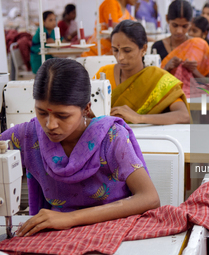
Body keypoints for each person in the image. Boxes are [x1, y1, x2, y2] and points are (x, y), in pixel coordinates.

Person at [0, 58, 160, 237]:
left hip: (114, 228)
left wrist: (70, 218)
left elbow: (149, 198)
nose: (50, 124)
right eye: (41, 112)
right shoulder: (29, 134)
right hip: (57, 233)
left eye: (63, 116)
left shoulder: (111, 137)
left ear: (86, 108)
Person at [94, 20, 190, 125]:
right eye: (115, 50)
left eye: (127, 51)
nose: (120, 57)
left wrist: (140, 118)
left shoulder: (158, 79)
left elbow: (184, 116)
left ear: (144, 49)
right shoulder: (103, 74)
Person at [151, 0, 209, 78]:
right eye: (175, 25)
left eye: (184, 26)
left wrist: (194, 71)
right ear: (167, 19)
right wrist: (166, 68)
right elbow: (152, 82)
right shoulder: (157, 47)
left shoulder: (200, 46)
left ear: (191, 22)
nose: (179, 31)